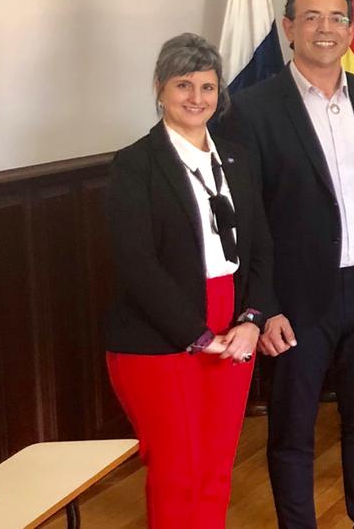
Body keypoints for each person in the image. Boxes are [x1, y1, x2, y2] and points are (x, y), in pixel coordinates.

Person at [219, 0, 354, 528]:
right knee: (292, 430)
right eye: (311, 17)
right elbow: (246, 222)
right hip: (295, 301)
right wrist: (262, 308)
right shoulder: (251, 108)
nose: (324, 28)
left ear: (351, 31)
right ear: (289, 28)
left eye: (336, 18)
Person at [105, 32, 278, 527]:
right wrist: (196, 335)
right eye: (184, 85)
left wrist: (251, 321)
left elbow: (261, 248)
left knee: (216, 466)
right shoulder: (136, 164)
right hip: (160, 334)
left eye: (207, 87)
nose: (196, 98)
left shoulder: (239, 157)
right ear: (160, 88)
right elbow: (137, 263)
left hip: (233, 325)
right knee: (178, 469)